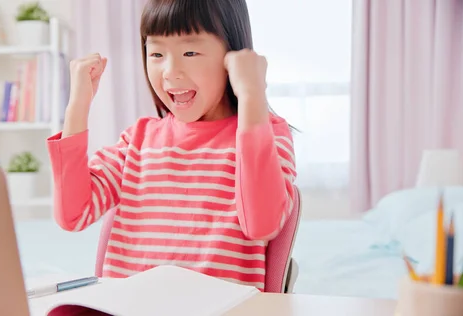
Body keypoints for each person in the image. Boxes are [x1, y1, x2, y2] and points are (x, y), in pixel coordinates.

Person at [46, 0, 296, 292]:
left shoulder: (265, 134)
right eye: (156, 53)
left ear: (233, 57)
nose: (169, 71)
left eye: (190, 52)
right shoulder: (137, 141)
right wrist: (78, 106)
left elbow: (262, 224)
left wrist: (251, 95)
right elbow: (73, 215)